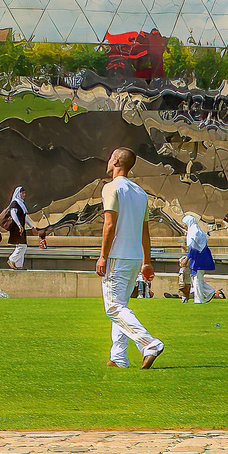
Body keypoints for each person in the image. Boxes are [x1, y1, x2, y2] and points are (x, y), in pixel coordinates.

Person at [96, 147, 163, 368]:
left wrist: (103, 256)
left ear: (115, 161)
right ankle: (118, 357)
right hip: (134, 258)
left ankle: (149, 344)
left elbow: (110, 224)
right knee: (121, 306)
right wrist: (146, 261)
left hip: (117, 255)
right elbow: (145, 231)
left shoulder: (111, 188)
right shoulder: (140, 193)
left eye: (110, 157)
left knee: (113, 308)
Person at [183, 215, 222, 304]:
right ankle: (210, 292)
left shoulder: (194, 232)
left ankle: (199, 299)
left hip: (198, 259)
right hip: (200, 258)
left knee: (197, 280)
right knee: (196, 279)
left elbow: (193, 248)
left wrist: (186, 259)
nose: (184, 226)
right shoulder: (199, 231)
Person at [4, 187, 35, 269]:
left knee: (23, 246)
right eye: (22, 193)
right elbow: (13, 214)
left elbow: (25, 217)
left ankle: (19, 265)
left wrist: (32, 226)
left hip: (21, 228)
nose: (24, 195)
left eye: (24, 193)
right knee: (22, 246)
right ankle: (12, 259)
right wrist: (19, 225)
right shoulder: (15, 203)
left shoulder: (21, 204)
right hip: (16, 228)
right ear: (18, 193)